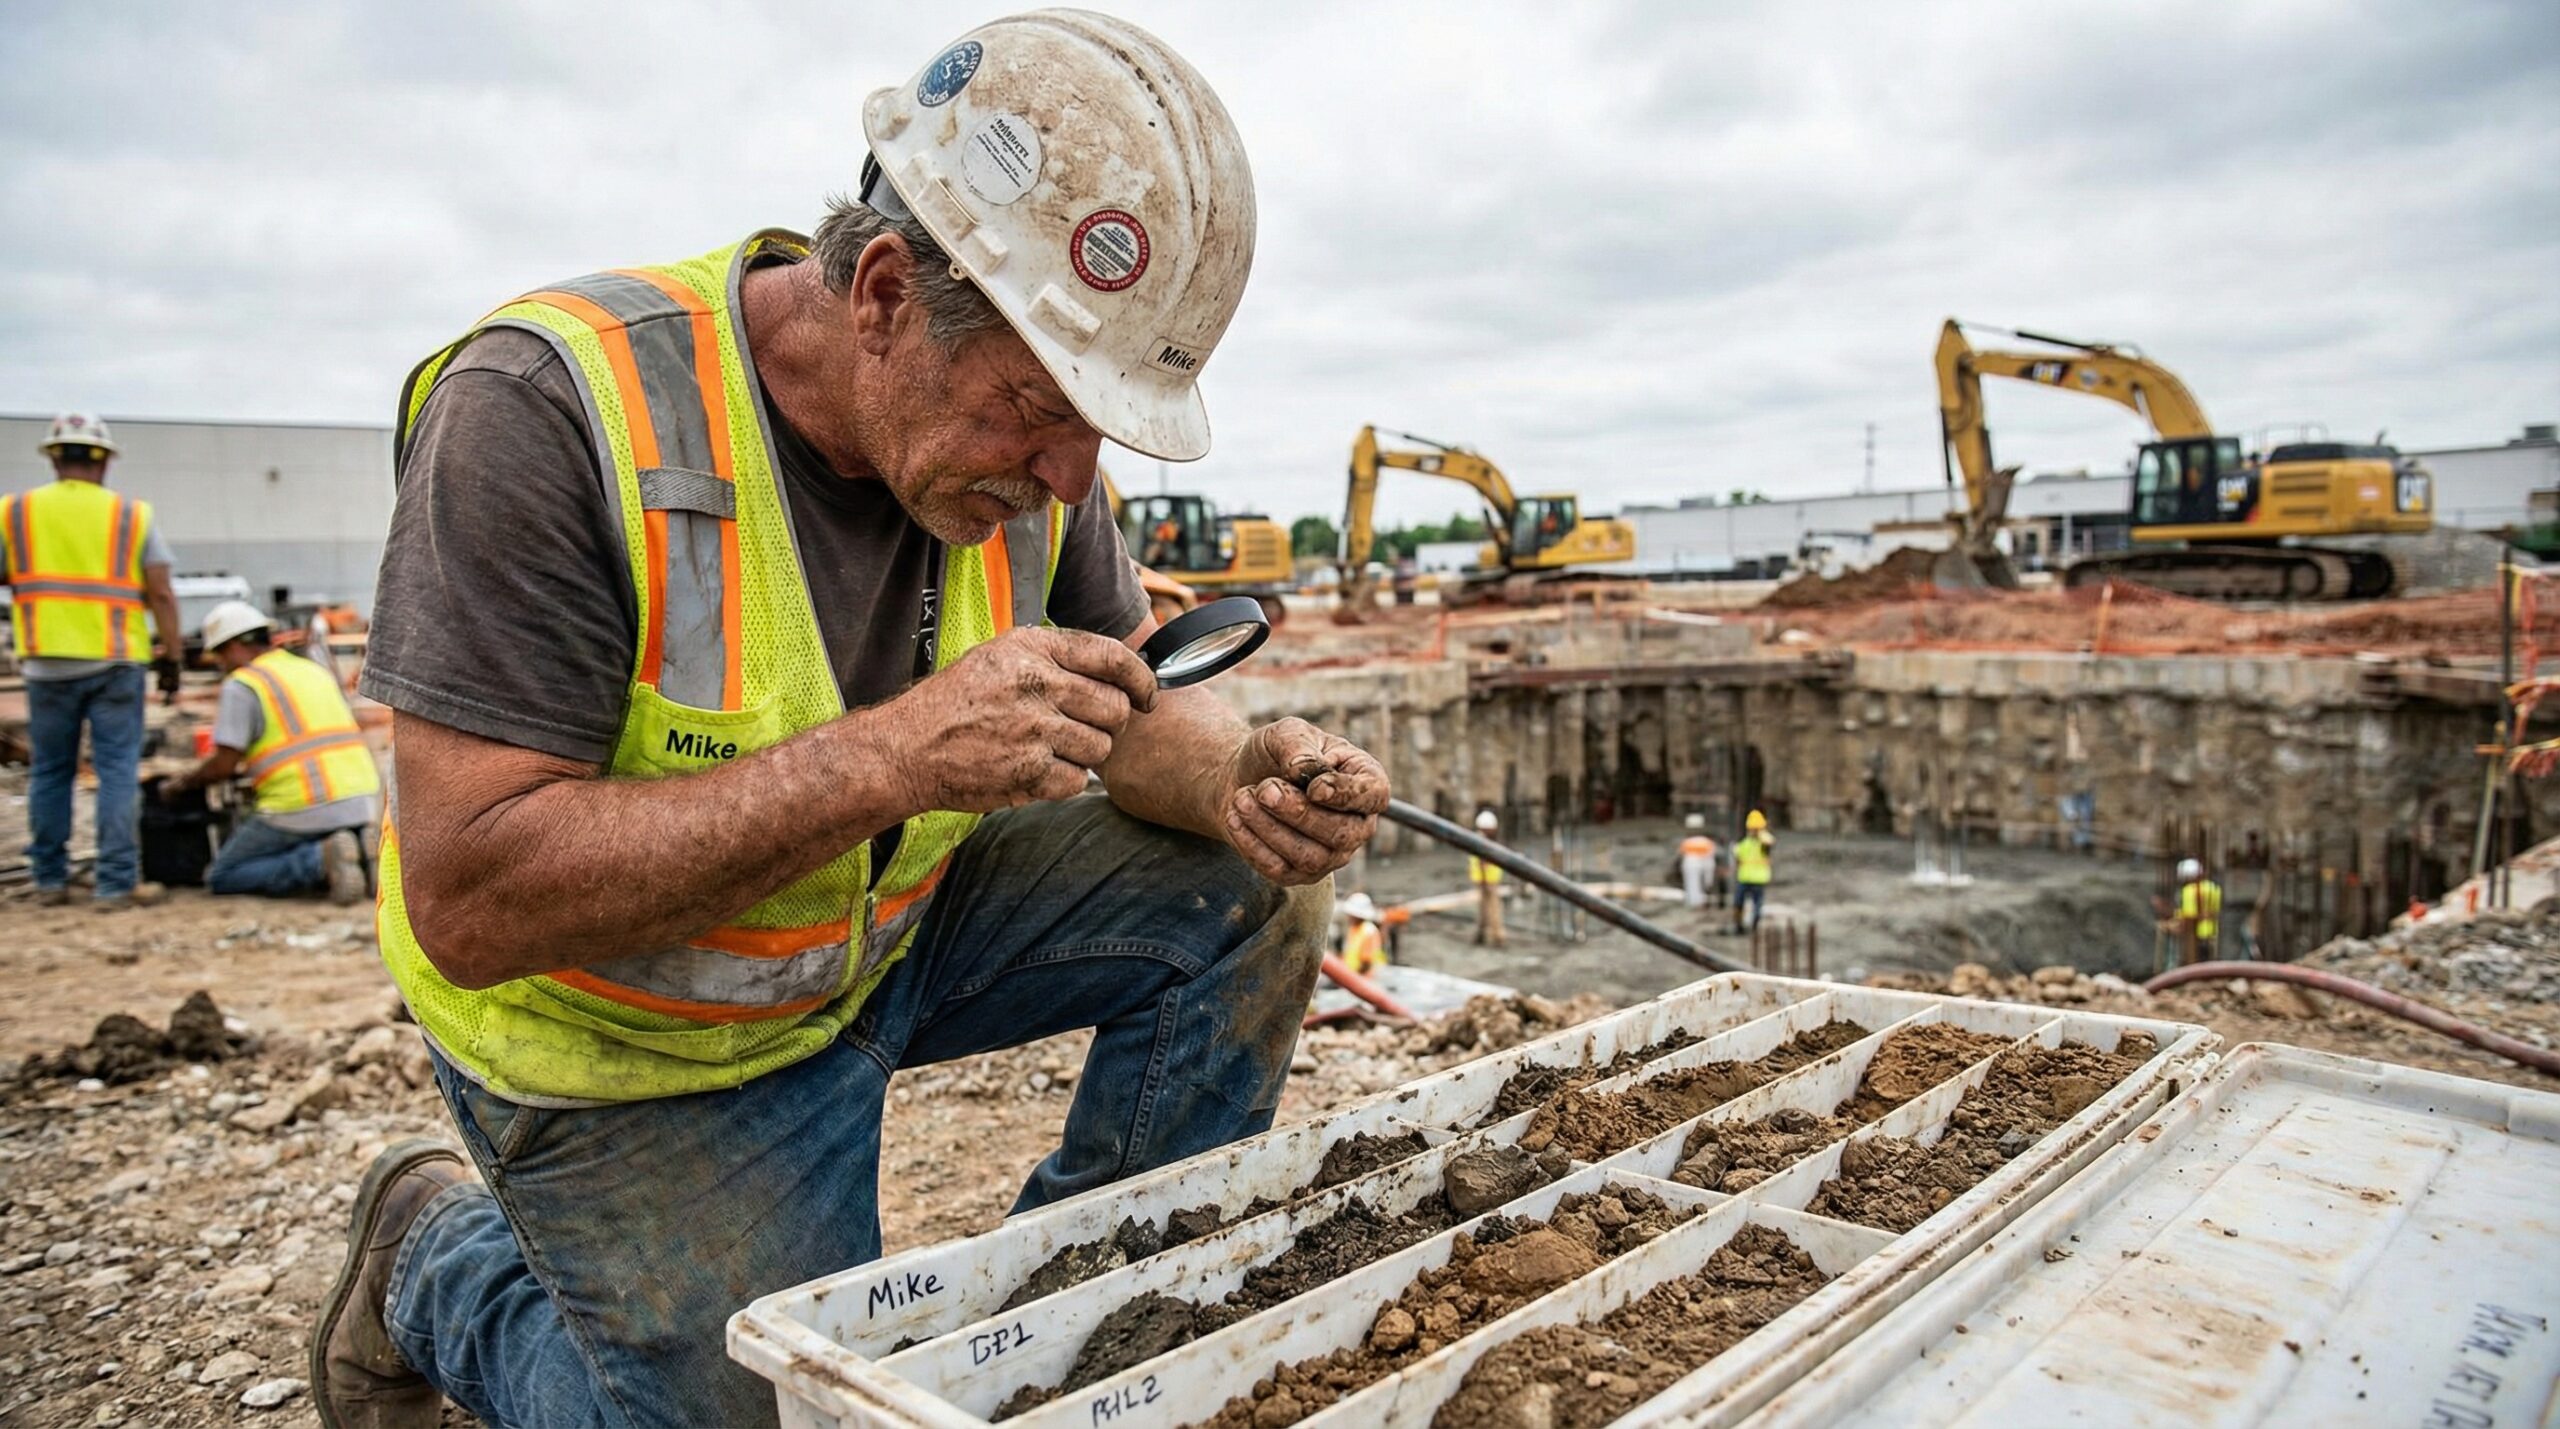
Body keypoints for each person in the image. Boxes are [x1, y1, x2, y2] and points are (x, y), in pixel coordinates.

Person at [310, 18, 1390, 1429]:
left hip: (874, 938)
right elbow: (471, 892)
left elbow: (1126, 699)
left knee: (1250, 884)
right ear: (883, 291)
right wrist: (888, 758)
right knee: (768, 1418)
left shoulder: (1027, 464)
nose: (1070, 470)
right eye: (1039, 409)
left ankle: (1074, 1324)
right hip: (635, 1044)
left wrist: (1236, 776)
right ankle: (433, 1263)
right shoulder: (545, 412)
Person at [1, 413, 182, 910]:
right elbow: (161, 591)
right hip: (116, 659)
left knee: (50, 772)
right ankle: (115, 882)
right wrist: (172, 655)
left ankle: (49, 879)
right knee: (117, 770)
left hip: (45, 661)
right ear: (103, 463)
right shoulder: (131, 516)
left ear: (55, 458)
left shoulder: (14, 512)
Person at [161, 601, 379, 904]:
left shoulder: (243, 684)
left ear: (235, 646)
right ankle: (359, 852)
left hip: (301, 804)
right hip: (359, 798)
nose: (220, 663)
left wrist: (183, 783)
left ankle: (318, 860)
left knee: (224, 874)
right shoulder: (311, 670)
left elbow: (224, 763)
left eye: (220, 655)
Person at [1468, 808, 1507, 948]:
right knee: (1487, 907)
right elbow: (1481, 861)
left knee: (1491, 907)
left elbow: (1483, 861)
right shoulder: (1484, 840)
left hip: (1488, 879)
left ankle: (1495, 935)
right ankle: (1486, 933)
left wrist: (1483, 877)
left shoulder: (1483, 840)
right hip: (1485, 878)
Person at [1732, 809, 1775, 933]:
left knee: (1756, 904)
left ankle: (1753, 925)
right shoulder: (1745, 843)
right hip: (1745, 877)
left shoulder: (1764, 842)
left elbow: (1770, 842)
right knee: (1739, 903)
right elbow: (1737, 855)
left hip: (1757, 878)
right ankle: (1739, 926)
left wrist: (1760, 833)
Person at [2175, 857, 2223, 962]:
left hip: (2196, 936)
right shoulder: (2215, 888)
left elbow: (2189, 917)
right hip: (2213, 934)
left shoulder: (2189, 891)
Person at [1341, 892, 1387, 978]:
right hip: (1352, 976)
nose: (1348, 916)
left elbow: (1366, 963)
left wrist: (1352, 978)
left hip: (1364, 978)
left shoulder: (1368, 931)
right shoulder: (1354, 929)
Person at [1678, 813, 1718, 911]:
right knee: (1702, 884)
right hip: (1702, 865)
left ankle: (1695, 902)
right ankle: (1700, 902)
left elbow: (1681, 853)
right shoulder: (1706, 842)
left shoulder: (1687, 842)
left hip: (1691, 865)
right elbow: (1711, 856)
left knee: (1692, 884)